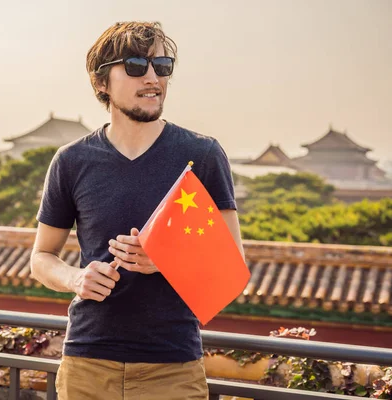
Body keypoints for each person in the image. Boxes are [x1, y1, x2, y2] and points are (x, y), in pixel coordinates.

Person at [30, 21, 244, 400]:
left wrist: (166, 258)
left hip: (173, 369)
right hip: (87, 364)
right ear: (101, 82)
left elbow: (234, 268)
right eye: (134, 66)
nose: (152, 78)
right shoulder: (71, 160)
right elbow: (42, 258)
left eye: (162, 66)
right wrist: (76, 278)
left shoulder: (203, 155)